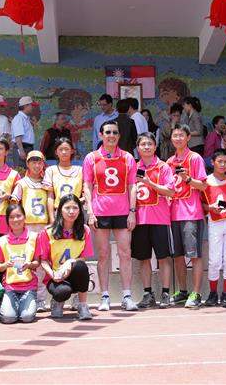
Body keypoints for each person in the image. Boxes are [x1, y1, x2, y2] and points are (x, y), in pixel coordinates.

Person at [83, 120, 138, 311]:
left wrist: (132, 212)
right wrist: (90, 212)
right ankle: (105, 296)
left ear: (119, 136)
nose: (111, 135)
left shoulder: (127, 157)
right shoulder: (91, 158)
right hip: (100, 212)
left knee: (125, 253)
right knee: (103, 254)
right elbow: (87, 186)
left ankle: (127, 295)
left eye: (115, 132)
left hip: (123, 212)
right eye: (108, 132)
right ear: (101, 135)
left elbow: (132, 186)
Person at [166, 124, 208, 308]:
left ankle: (196, 293)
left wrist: (188, 179)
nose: (178, 138)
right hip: (172, 214)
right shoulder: (169, 162)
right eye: (175, 135)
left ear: (188, 137)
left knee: (195, 255)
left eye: (181, 135)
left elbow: (203, 186)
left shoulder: (195, 158)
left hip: (191, 213)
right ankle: (183, 291)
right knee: (177, 256)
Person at [132, 132, 175, 309]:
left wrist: (150, 183)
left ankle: (165, 293)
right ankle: (148, 293)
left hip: (160, 219)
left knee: (163, 258)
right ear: (137, 148)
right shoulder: (133, 167)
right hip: (139, 220)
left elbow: (170, 191)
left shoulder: (163, 167)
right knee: (143, 259)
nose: (147, 147)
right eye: (143, 144)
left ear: (155, 147)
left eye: (150, 144)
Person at [39, 194, 93, 320]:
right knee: (62, 291)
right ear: (59, 210)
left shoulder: (85, 230)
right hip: (56, 277)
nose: (71, 211)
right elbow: (43, 260)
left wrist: (70, 262)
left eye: (75, 208)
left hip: (73, 274)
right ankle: (57, 301)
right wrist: (53, 275)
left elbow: (83, 258)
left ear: (80, 210)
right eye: (67, 208)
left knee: (81, 266)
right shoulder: (48, 232)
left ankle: (82, 305)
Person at [11, 150, 51, 312]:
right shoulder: (22, 183)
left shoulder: (47, 184)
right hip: (27, 227)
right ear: (27, 164)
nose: (36, 165)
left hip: (44, 227)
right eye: (33, 162)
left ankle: (41, 299)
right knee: (27, 262)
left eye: (39, 162)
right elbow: (14, 203)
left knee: (42, 264)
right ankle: (26, 295)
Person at [202, 149, 226, 308]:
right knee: (214, 260)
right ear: (213, 162)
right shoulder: (205, 181)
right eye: (220, 161)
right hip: (215, 222)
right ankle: (212, 293)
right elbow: (202, 204)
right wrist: (211, 208)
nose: (223, 165)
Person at [0, 204, 41, 323]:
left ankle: (26, 302)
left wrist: (29, 264)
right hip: (10, 286)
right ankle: (4, 304)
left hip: (29, 286)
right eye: (11, 217)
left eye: (18, 216)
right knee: (8, 318)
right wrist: (6, 265)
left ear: (25, 217)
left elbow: (37, 262)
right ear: (7, 220)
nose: (15, 220)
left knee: (27, 317)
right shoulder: (2, 240)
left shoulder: (34, 237)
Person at [43, 138, 84, 223]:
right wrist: (52, 218)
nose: (64, 152)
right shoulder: (51, 170)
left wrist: (75, 202)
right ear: (56, 152)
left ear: (72, 151)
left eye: (67, 149)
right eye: (61, 149)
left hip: (76, 213)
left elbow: (86, 194)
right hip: (58, 212)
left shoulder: (80, 170)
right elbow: (50, 197)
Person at [11, 96, 39, 168]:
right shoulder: (19, 118)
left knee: (27, 170)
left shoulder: (26, 118)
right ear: (26, 106)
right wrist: (21, 150)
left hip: (27, 148)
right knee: (21, 170)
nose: (32, 108)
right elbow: (18, 136)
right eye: (31, 105)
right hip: (23, 147)